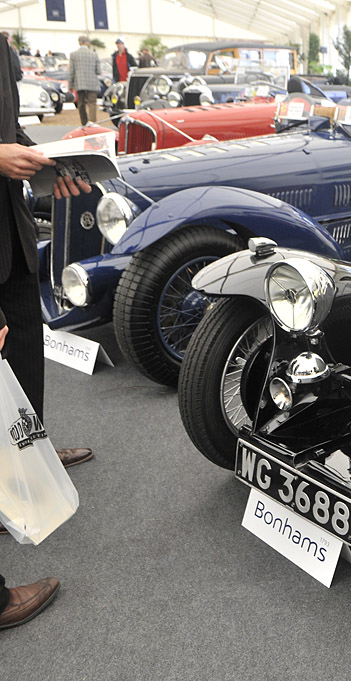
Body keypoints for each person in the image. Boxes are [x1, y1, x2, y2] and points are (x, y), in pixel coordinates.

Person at [0, 35, 93, 621]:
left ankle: (27, 453)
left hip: (10, 237)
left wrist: (47, 164)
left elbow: (8, 129)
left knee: (26, 354)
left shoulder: (4, 45)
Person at [68, 35, 101, 125]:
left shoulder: (73, 55)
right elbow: (98, 71)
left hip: (80, 83)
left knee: (81, 104)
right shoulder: (94, 55)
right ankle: (92, 123)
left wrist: (70, 85)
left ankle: (84, 123)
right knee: (92, 103)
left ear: (79, 43)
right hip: (92, 83)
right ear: (87, 43)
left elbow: (71, 71)